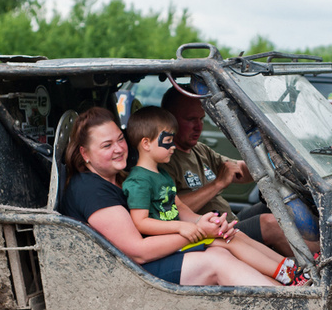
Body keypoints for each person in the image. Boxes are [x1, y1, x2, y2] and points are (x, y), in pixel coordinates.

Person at [60, 106, 280, 287]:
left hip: (151, 259)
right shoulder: (90, 189)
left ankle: (290, 284)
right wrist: (199, 232)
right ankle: (286, 304)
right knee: (217, 261)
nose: (119, 149)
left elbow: (178, 208)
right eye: (107, 145)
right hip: (128, 275)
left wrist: (203, 222)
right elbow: (138, 252)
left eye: (120, 139)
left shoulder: (124, 176)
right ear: (85, 154)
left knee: (227, 238)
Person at [121, 106, 308, 285]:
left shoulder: (161, 175)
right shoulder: (138, 181)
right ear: (146, 143)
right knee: (226, 240)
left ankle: (291, 268)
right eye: (168, 141)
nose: (172, 146)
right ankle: (287, 275)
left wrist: (204, 221)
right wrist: (181, 227)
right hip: (167, 244)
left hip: (179, 233)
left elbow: (181, 208)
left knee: (232, 232)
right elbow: (141, 222)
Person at [160, 87, 320, 257]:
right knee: (269, 224)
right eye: (191, 119)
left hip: (230, 222)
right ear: (170, 120)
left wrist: (271, 161)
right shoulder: (165, 161)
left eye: (201, 119)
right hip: (210, 235)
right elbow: (171, 210)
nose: (198, 127)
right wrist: (218, 184)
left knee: (277, 206)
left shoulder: (199, 150)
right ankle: (323, 266)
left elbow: (239, 171)